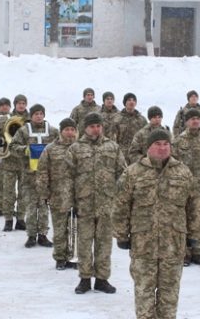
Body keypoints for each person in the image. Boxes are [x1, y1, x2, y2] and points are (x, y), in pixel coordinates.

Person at [115, 129, 200, 319]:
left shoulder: (183, 172)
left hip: (173, 243)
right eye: (158, 144)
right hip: (143, 244)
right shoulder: (133, 172)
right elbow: (121, 205)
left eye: (166, 144)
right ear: (148, 147)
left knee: (169, 295)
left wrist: (195, 235)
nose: (163, 148)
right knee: (144, 293)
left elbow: (194, 205)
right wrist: (122, 235)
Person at [66, 112, 127, 294]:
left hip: (107, 204)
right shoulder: (75, 149)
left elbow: (122, 174)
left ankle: (102, 279)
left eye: (98, 126)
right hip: (83, 204)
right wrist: (70, 203)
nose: (96, 129)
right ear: (85, 128)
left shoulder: (112, 147)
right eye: (92, 126)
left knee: (104, 243)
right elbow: (68, 178)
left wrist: (120, 200)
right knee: (84, 242)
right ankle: (84, 279)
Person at [171, 108, 200, 266]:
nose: (195, 121)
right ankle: (184, 253)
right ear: (186, 122)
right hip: (183, 189)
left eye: (197, 118)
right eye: (192, 119)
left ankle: (197, 251)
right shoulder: (177, 142)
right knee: (182, 221)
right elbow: (172, 165)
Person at [10, 103, 58, 248]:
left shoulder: (52, 131)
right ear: (31, 116)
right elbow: (12, 147)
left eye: (41, 113)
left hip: (46, 175)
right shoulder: (24, 131)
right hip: (29, 175)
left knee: (43, 206)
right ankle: (31, 235)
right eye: (36, 114)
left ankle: (43, 234)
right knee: (31, 206)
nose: (38, 116)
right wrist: (25, 150)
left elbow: (61, 145)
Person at [36, 118, 79, 270]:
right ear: (61, 131)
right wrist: (44, 193)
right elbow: (42, 172)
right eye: (67, 129)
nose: (70, 133)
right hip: (58, 196)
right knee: (60, 229)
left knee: (77, 229)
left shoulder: (81, 148)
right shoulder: (50, 149)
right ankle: (60, 257)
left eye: (72, 130)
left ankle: (74, 256)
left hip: (79, 196)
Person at [0, 94, 30, 232]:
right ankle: (8, 219)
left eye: (23, 103)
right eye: (19, 103)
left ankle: (21, 219)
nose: (21, 105)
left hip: (25, 161)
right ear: (15, 104)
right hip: (9, 160)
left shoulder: (31, 119)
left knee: (24, 192)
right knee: (8, 191)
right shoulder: (7, 118)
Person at [108, 93, 147, 163]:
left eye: (134, 100)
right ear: (125, 103)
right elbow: (112, 139)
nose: (132, 102)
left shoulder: (142, 120)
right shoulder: (117, 118)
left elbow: (146, 138)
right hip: (121, 155)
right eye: (129, 100)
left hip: (137, 155)